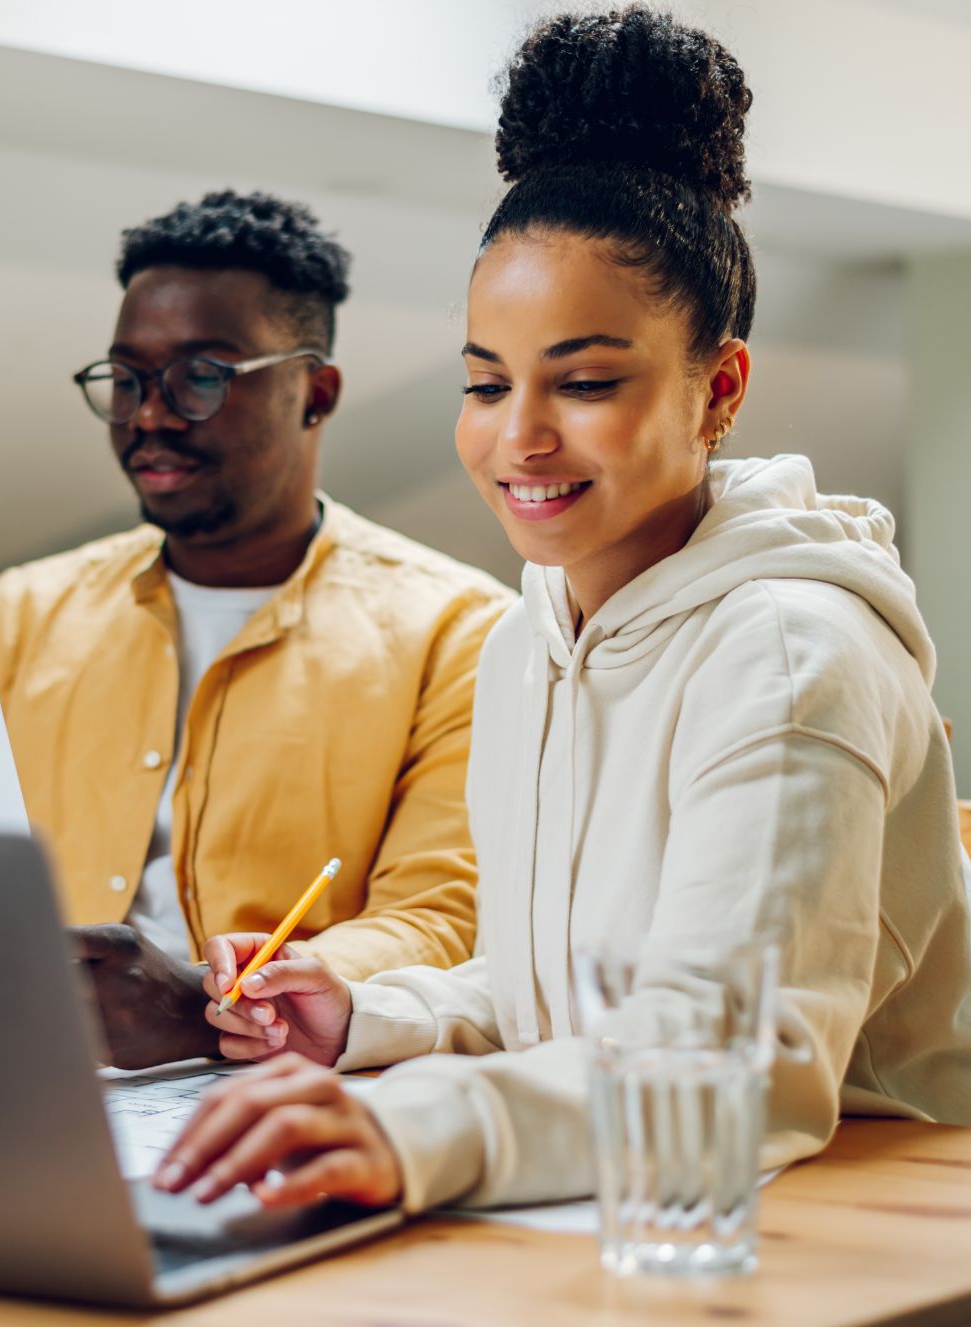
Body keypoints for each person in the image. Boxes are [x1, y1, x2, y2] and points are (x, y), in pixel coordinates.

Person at [153, 6, 971, 1214]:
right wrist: (367, 1014)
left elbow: (721, 1064)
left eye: (585, 382)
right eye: (485, 382)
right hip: (612, 1190)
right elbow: (561, 1000)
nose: (517, 437)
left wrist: (422, 1129)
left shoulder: (794, 653)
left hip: (848, 1215)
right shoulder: (530, 636)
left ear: (720, 388)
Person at [0, 191, 515, 1070]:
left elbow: (443, 915)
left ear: (315, 392)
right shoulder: (15, 616)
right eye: (127, 379)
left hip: (288, 1084)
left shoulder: (460, 630)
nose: (150, 415)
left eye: (201, 376)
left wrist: (218, 1000)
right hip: (6, 1069)